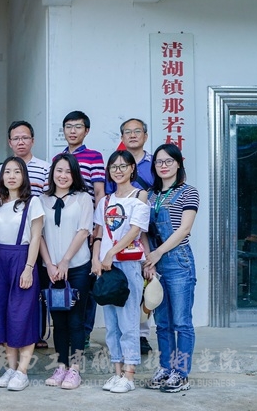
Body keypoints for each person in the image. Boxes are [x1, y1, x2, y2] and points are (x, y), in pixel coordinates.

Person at [142, 143, 199, 393]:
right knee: (162, 322)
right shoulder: (149, 195)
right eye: (158, 162)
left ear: (178, 163)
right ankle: (166, 368)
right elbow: (142, 230)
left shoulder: (188, 192)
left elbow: (184, 229)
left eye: (168, 161)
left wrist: (158, 252)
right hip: (155, 262)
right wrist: (149, 259)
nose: (163, 166)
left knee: (181, 322)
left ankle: (181, 373)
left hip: (178, 261)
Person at [92, 150, 149, 394]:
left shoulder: (139, 196)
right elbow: (98, 233)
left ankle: (129, 374)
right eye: (114, 166)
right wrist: (96, 258)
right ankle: (116, 373)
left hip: (127, 264)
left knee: (129, 322)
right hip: (107, 267)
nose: (118, 170)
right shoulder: (105, 200)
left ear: (132, 169)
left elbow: (135, 231)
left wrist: (111, 253)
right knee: (112, 324)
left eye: (123, 166)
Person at [38, 153, 93, 390]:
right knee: (58, 320)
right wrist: (50, 264)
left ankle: (75, 369)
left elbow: (84, 231)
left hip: (77, 266)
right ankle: (61, 366)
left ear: (75, 174)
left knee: (76, 320)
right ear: (52, 173)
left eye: (68, 171)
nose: (63, 176)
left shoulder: (83, 198)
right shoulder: (42, 199)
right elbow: (38, 235)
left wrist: (65, 262)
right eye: (59, 170)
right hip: (50, 269)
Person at [0, 157, 44, 392]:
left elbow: (36, 237)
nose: (11, 176)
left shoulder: (33, 202)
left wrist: (29, 268)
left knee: (22, 314)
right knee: (3, 313)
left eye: (17, 172)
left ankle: (23, 371)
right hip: (0, 259)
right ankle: (11, 368)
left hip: (22, 258)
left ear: (24, 176)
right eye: (7, 172)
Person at [58, 110, 106, 348]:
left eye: (78, 127)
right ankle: (66, 331)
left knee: (85, 282)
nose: (73, 131)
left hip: (85, 224)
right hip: (63, 225)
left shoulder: (94, 156)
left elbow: (99, 192)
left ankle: (84, 332)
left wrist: (97, 228)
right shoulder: (59, 157)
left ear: (86, 131)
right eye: (68, 126)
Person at [106, 118, 154, 355]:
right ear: (122, 137)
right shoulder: (114, 173)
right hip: (122, 237)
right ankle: (129, 347)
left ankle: (141, 336)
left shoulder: (155, 163)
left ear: (145, 135)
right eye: (128, 132)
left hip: (148, 231)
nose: (132, 135)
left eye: (137, 131)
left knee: (147, 286)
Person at [0, 121, 49, 200]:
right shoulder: (1, 170)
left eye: (25, 138)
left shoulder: (46, 168)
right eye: (16, 138)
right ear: (10, 143)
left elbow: (48, 198)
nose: (21, 142)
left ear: (32, 141)